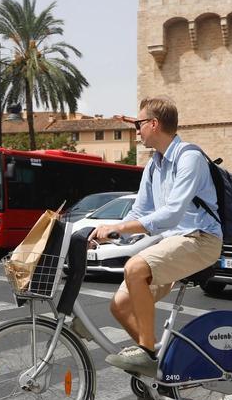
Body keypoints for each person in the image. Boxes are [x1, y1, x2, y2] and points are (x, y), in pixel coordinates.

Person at [89, 96, 222, 377]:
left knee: (134, 268)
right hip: (175, 242)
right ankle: (161, 370)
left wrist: (123, 230)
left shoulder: (190, 159)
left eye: (139, 123)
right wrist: (106, 234)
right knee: (120, 306)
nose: (136, 129)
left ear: (154, 124)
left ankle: (147, 354)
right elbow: (140, 211)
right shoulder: (155, 164)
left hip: (201, 240)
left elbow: (171, 215)